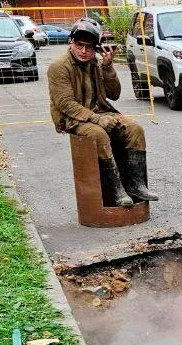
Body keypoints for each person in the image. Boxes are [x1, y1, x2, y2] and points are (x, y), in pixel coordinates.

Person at [48, 18, 158, 206]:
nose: (83, 51)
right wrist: (97, 119)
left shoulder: (97, 63)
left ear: (95, 48)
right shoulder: (59, 66)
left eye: (89, 47)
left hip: (99, 112)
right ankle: (116, 189)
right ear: (71, 43)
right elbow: (65, 104)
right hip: (71, 118)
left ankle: (136, 184)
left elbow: (114, 94)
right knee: (98, 135)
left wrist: (108, 68)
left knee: (135, 129)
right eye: (79, 45)